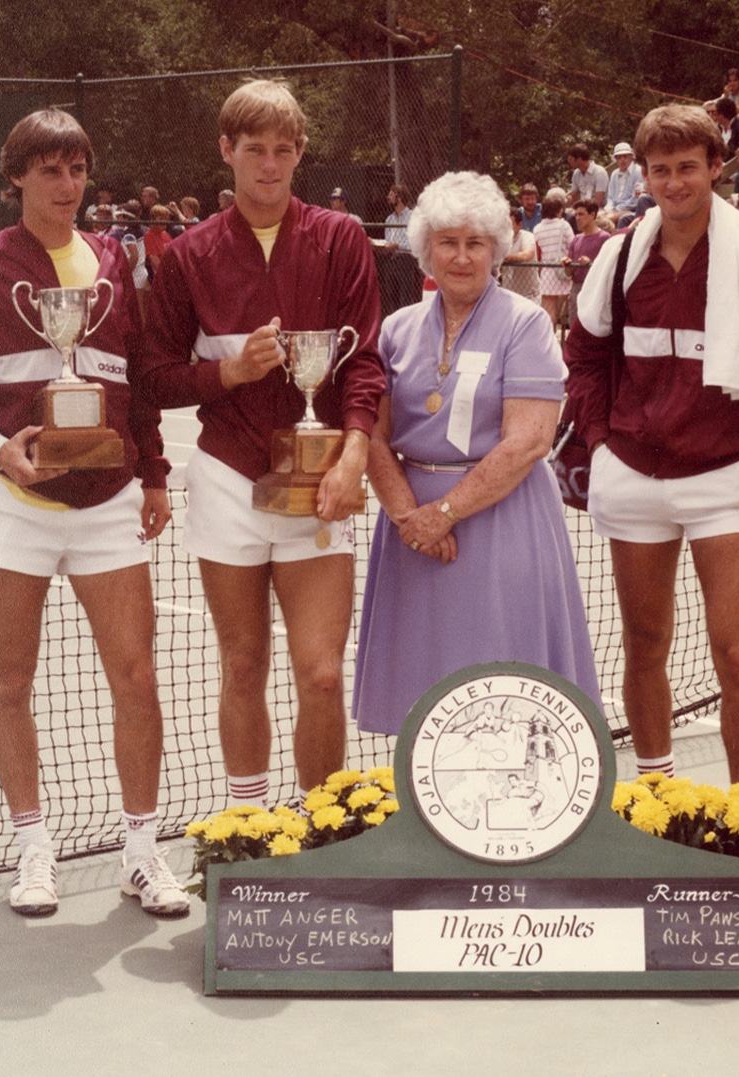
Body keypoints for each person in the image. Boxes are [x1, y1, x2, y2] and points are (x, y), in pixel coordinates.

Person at [0, 108, 189, 920]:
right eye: (49, 171)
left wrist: (154, 474)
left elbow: (134, 379)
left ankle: (141, 852)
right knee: (11, 678)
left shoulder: (113, 262)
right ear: (17, 177)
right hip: (13, 506)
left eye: (77, 169)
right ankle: (34, 846)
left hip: (109, 505)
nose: (67, 186)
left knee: (136, 676)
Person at [138, 79, 385, 804]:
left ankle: (321, 826)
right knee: (243, 666)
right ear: (227, 151)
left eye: (282, 150)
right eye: (254, 149)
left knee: (322, 674)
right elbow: (154, 378)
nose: (269, 165)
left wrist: (353, 455)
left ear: (300, 153)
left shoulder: (340, 238)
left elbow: (365, 362)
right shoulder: (188, 255)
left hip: (319, 482)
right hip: (227, 479)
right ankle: (249, 828)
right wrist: (229, 371)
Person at [564, 103, 739, 784]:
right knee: (643, 645)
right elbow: (585, 357)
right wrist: (600, 443)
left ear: (716, 167)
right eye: (659, 169)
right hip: (632, 473)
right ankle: (655, 792)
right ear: (643, 174)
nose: (673, 182)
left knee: (737, 654)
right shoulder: (619, 254)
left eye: (687, 167)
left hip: (726, 479)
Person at [351, 171, 600, 736]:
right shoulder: (395, 329)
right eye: (448, 242)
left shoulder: (527, 323)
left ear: (497, 249)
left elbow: (529, 440)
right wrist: (409, 517)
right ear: (426, 249)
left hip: (503, 521)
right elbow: (372, 434)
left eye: (475, 243)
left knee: (504, 687)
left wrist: (444, 513)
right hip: (412, 531)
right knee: (422, 692)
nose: (461, 257)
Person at [561, 198, 610, 324]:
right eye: (576, 215)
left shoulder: (604, 238)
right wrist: (567, 264)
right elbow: (568, 273)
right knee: (574, 325)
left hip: (595, 288)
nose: (577, 218)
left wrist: (591, 263)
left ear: (592, 215)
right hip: (576, 288)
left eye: (581, 214)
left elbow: (609, 266)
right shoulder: (576, 239)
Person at [380, 183, 421, 316]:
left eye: (391, 194)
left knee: (405, 298)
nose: (388, 197)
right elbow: (388, 240)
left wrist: (397, 245)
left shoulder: (412, 216)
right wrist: (382, 247)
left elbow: (414, 242)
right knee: (391, 298)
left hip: (405, 259)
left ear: (399, 197)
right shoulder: (389, 219)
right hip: (390, 260)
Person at [534, 193, 573, 329]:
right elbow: (573, 244)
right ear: (559, 210)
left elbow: (538, 252)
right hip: (564, 268)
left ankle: (549, 336)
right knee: (572, 305)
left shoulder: (537, 229)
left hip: (547, 270)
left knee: (549, 310)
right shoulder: (564, 225)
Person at [500, 205, 541, 302]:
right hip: (509, 295)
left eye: (509, 225)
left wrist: (503, 256)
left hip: (530, 295)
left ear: (520, 225)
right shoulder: (500, 239)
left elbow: (527, 255)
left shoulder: (527, 236)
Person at [567, 143, 609, 208]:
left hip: (598, 210)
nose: (569, 161)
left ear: (579, 160)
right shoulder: (576, 173)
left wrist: (583, 211)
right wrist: (558, 194)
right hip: (583, 209)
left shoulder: (599, 172)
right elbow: (573, 197)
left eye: (570, 159)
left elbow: (598, 202)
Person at [608, 142, 644, 213]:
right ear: (616, 159)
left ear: (631, 157)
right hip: (614, 210)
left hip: (632, 210)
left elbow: (636, 198)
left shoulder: (639, 172)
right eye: (619, 157)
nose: (622, 159)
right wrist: (609, 209)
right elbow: (610, 197)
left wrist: (618, 209)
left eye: (625, 156)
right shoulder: (614, 174)